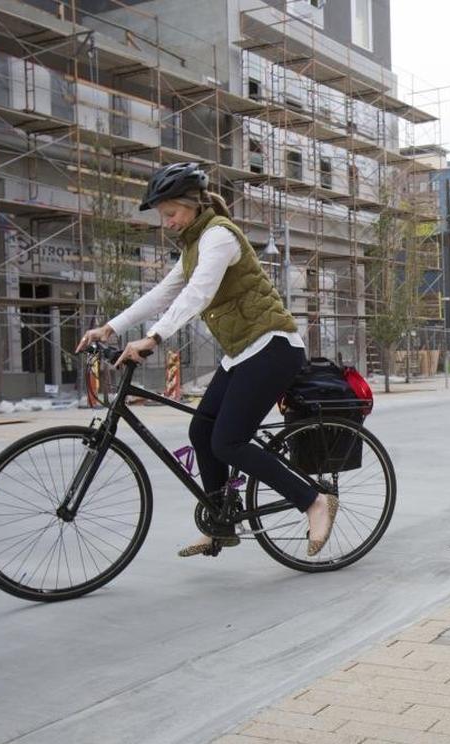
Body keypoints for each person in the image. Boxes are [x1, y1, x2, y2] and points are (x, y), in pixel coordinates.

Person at [76, 163, 338, 558]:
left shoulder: (219, 237)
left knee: (228, 442)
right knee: (202, 433)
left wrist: (153, 338)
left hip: (272, 346)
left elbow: (197, 294)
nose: (167, 223)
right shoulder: (194, 248)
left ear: (193, 205)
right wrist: (109, 329)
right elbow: (162, 294)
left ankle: (313, 500)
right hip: (242, 353)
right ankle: (221, 522)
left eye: (171, 214)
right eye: (163, 216)